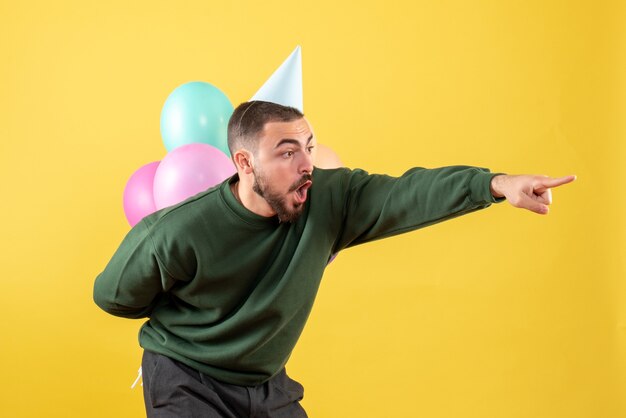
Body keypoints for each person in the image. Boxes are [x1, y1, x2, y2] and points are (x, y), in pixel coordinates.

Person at [94, 100, 575, 417]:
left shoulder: (329, 199)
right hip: (186, 379)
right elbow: (113, 295)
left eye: (307, 147)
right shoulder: (180, 230)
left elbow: (408, 192)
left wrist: (496, 185)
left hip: (264, 380)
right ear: (244, 164)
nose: (306, 164)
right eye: (286, 152)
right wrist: (191, 325)